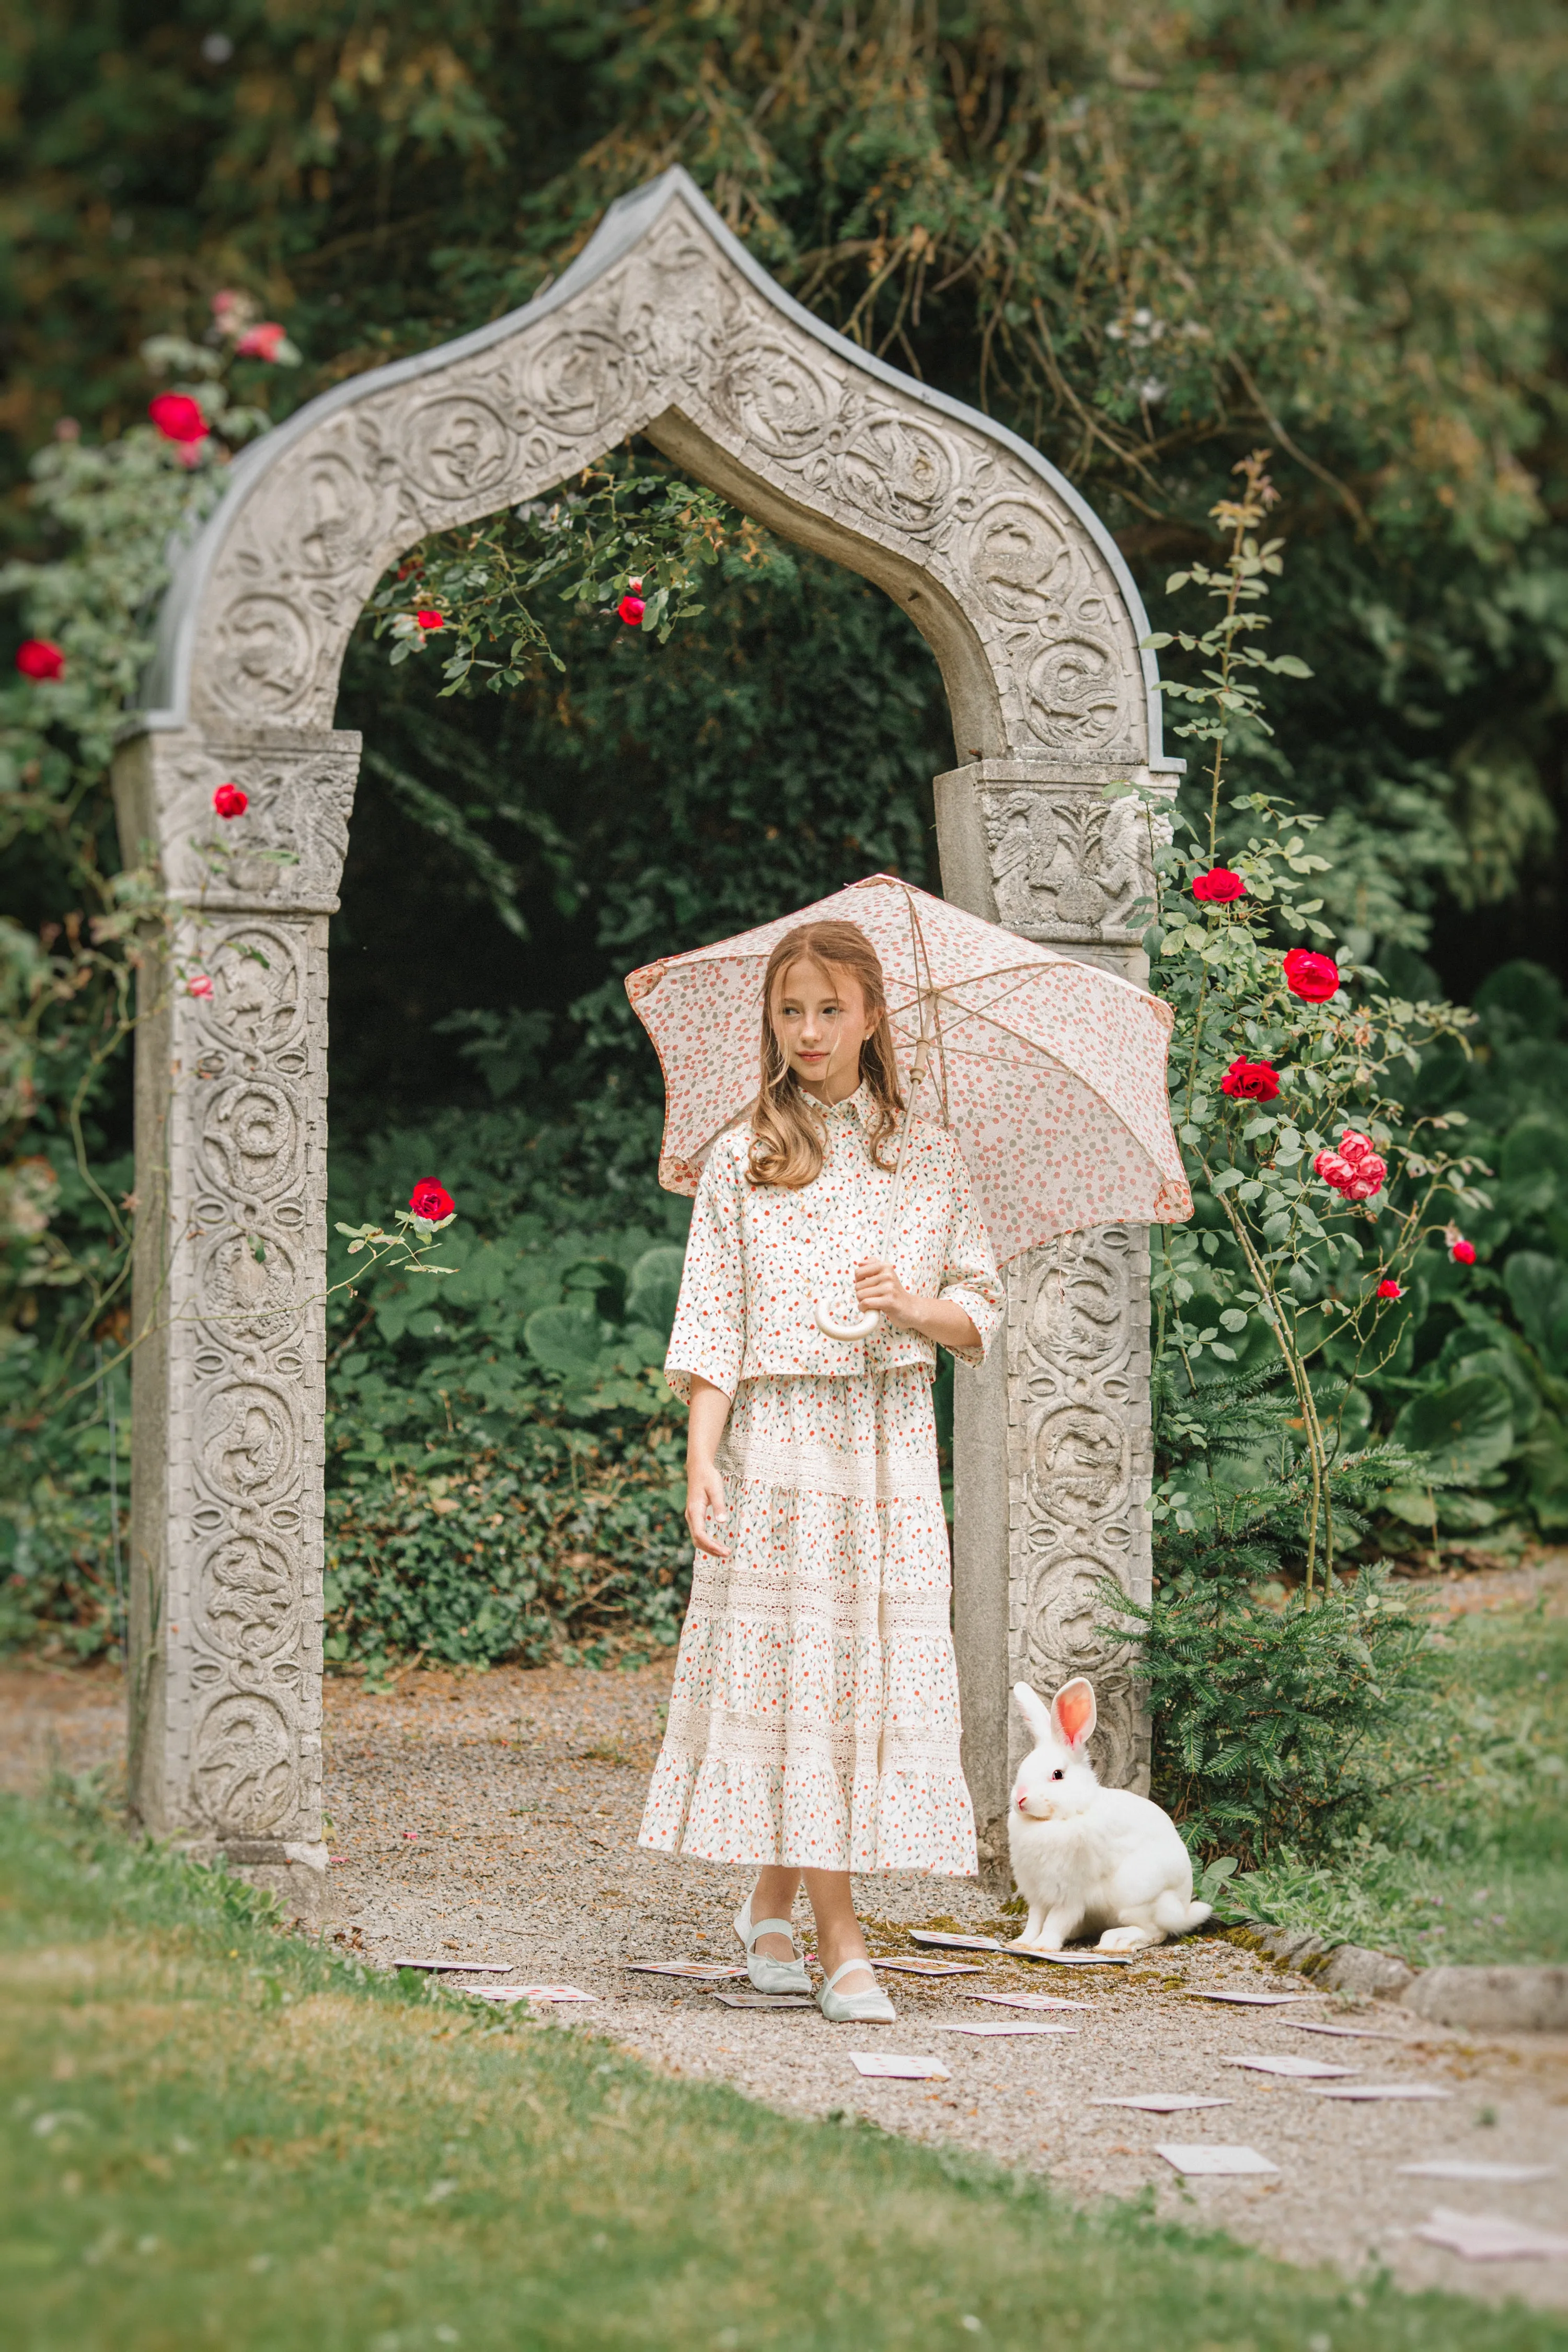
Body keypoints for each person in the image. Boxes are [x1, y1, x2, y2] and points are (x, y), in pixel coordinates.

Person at [637, 919, 1002, 2021]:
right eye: (790, 1011)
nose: (808, 1030)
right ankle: (841, 1941)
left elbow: (981, 1311)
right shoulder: (742, 1156)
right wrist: (702, 1464)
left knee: (852, 1682)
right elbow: (710, 1325)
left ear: (873, 1018)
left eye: (830, 1010)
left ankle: (771, 1909)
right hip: (779, 1450)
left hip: (885, 1447)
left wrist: (913, 1305)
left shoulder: (929, 1152)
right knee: (795, 1676)